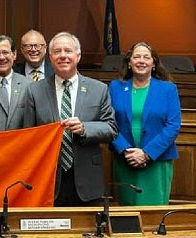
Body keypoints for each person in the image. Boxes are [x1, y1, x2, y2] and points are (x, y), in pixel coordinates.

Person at [23, 32, 117, 206]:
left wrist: (85, 128)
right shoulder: (34, 91)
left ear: (78, 56)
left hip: (87, 180)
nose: (63, 56)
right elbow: (28, 136)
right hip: (47, 180)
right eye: (57, 51)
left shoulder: (99, 89)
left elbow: (111, 129)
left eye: (68, 50)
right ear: (50, 57)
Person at [109, 42, 181, 205]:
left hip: (157, 160)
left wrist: (147, 153)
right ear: (129, 62)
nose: (141, 61)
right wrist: (126, 150)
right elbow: (108, 122)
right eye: (136, 57)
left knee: (153, 214)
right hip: (125, 160)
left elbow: (173, 125)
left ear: (154, 64)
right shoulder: (116, 87)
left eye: (146, 57)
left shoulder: (168, 89)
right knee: (127, 215)